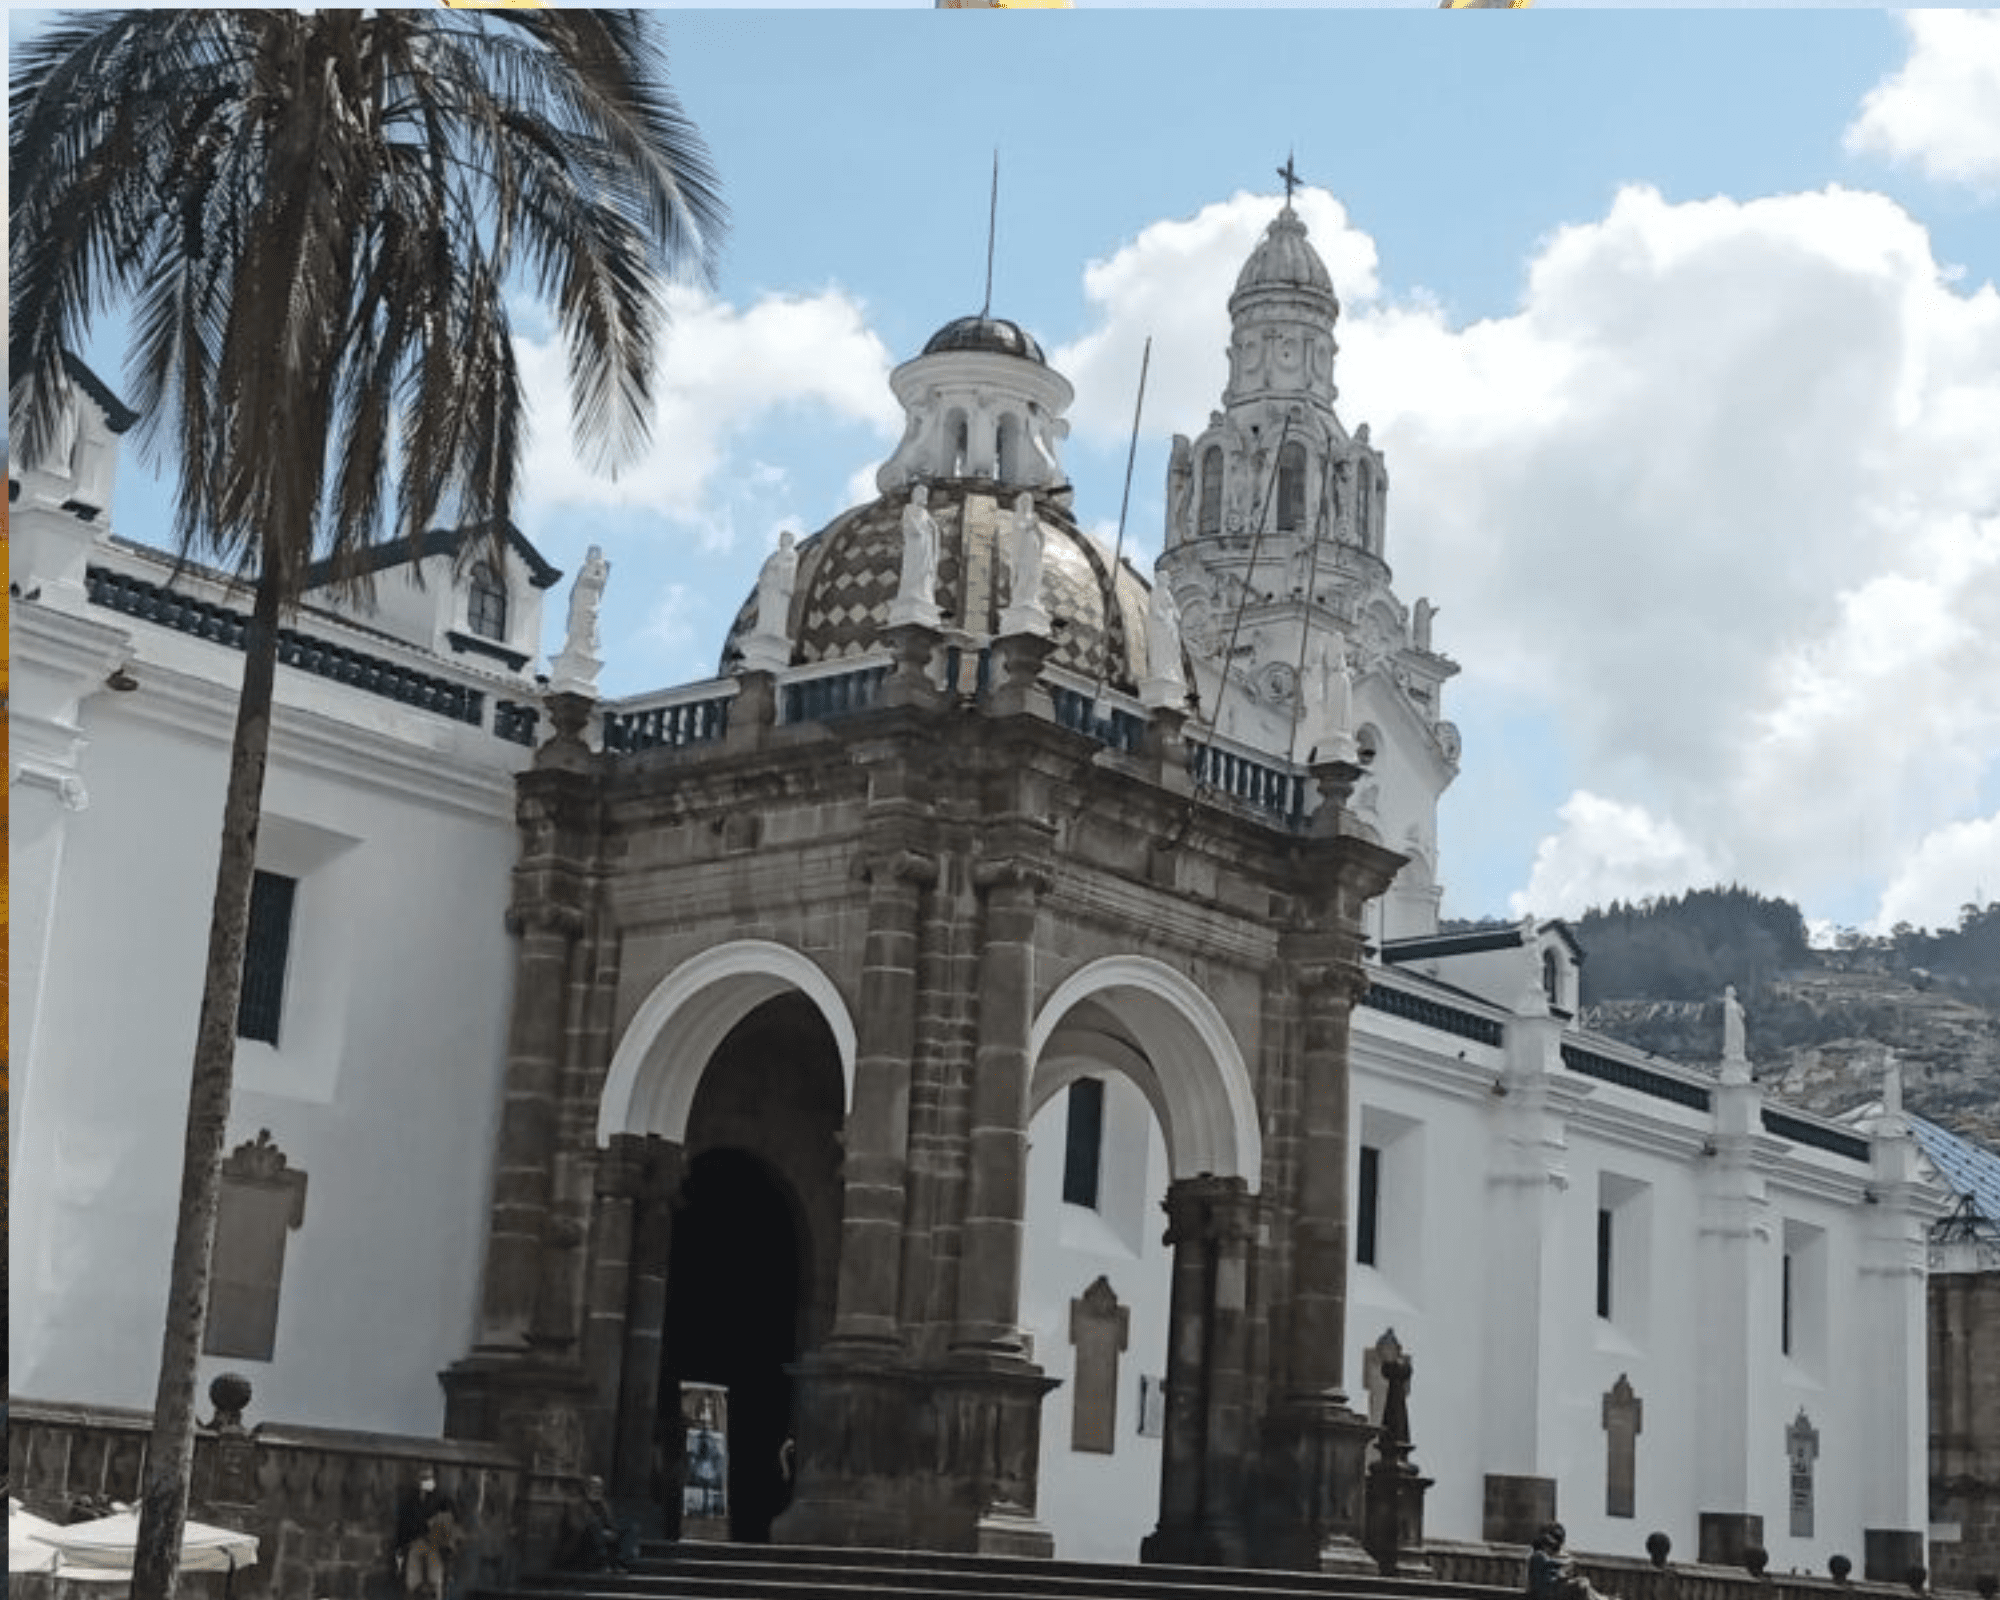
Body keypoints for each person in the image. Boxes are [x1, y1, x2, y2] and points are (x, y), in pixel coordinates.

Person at [395, 1467, 460, 1600]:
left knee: (435, 1582)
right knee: (414, 1583)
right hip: (414, 1546)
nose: (425, 1482)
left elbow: (449, 1523)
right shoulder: (410, 1501)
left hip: (435, 1549)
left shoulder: (442, 1500)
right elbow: (404, 1527)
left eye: (428, 1478)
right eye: (423, 1478)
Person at [567, 1474, 638, 1573]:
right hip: (584, 1541)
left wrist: (611, 1531)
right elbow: (576, 1526)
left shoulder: (603, 1504)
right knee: (594, 1526)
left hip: (602, 1537)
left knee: (628, 1527)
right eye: (594, 1486)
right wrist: (601, 1531)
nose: (597, 1490)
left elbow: (610, 1522)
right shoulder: (577, 1504)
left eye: (600, 1487)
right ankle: (602, 1564)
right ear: (586, 1488)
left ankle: (621, 1563)